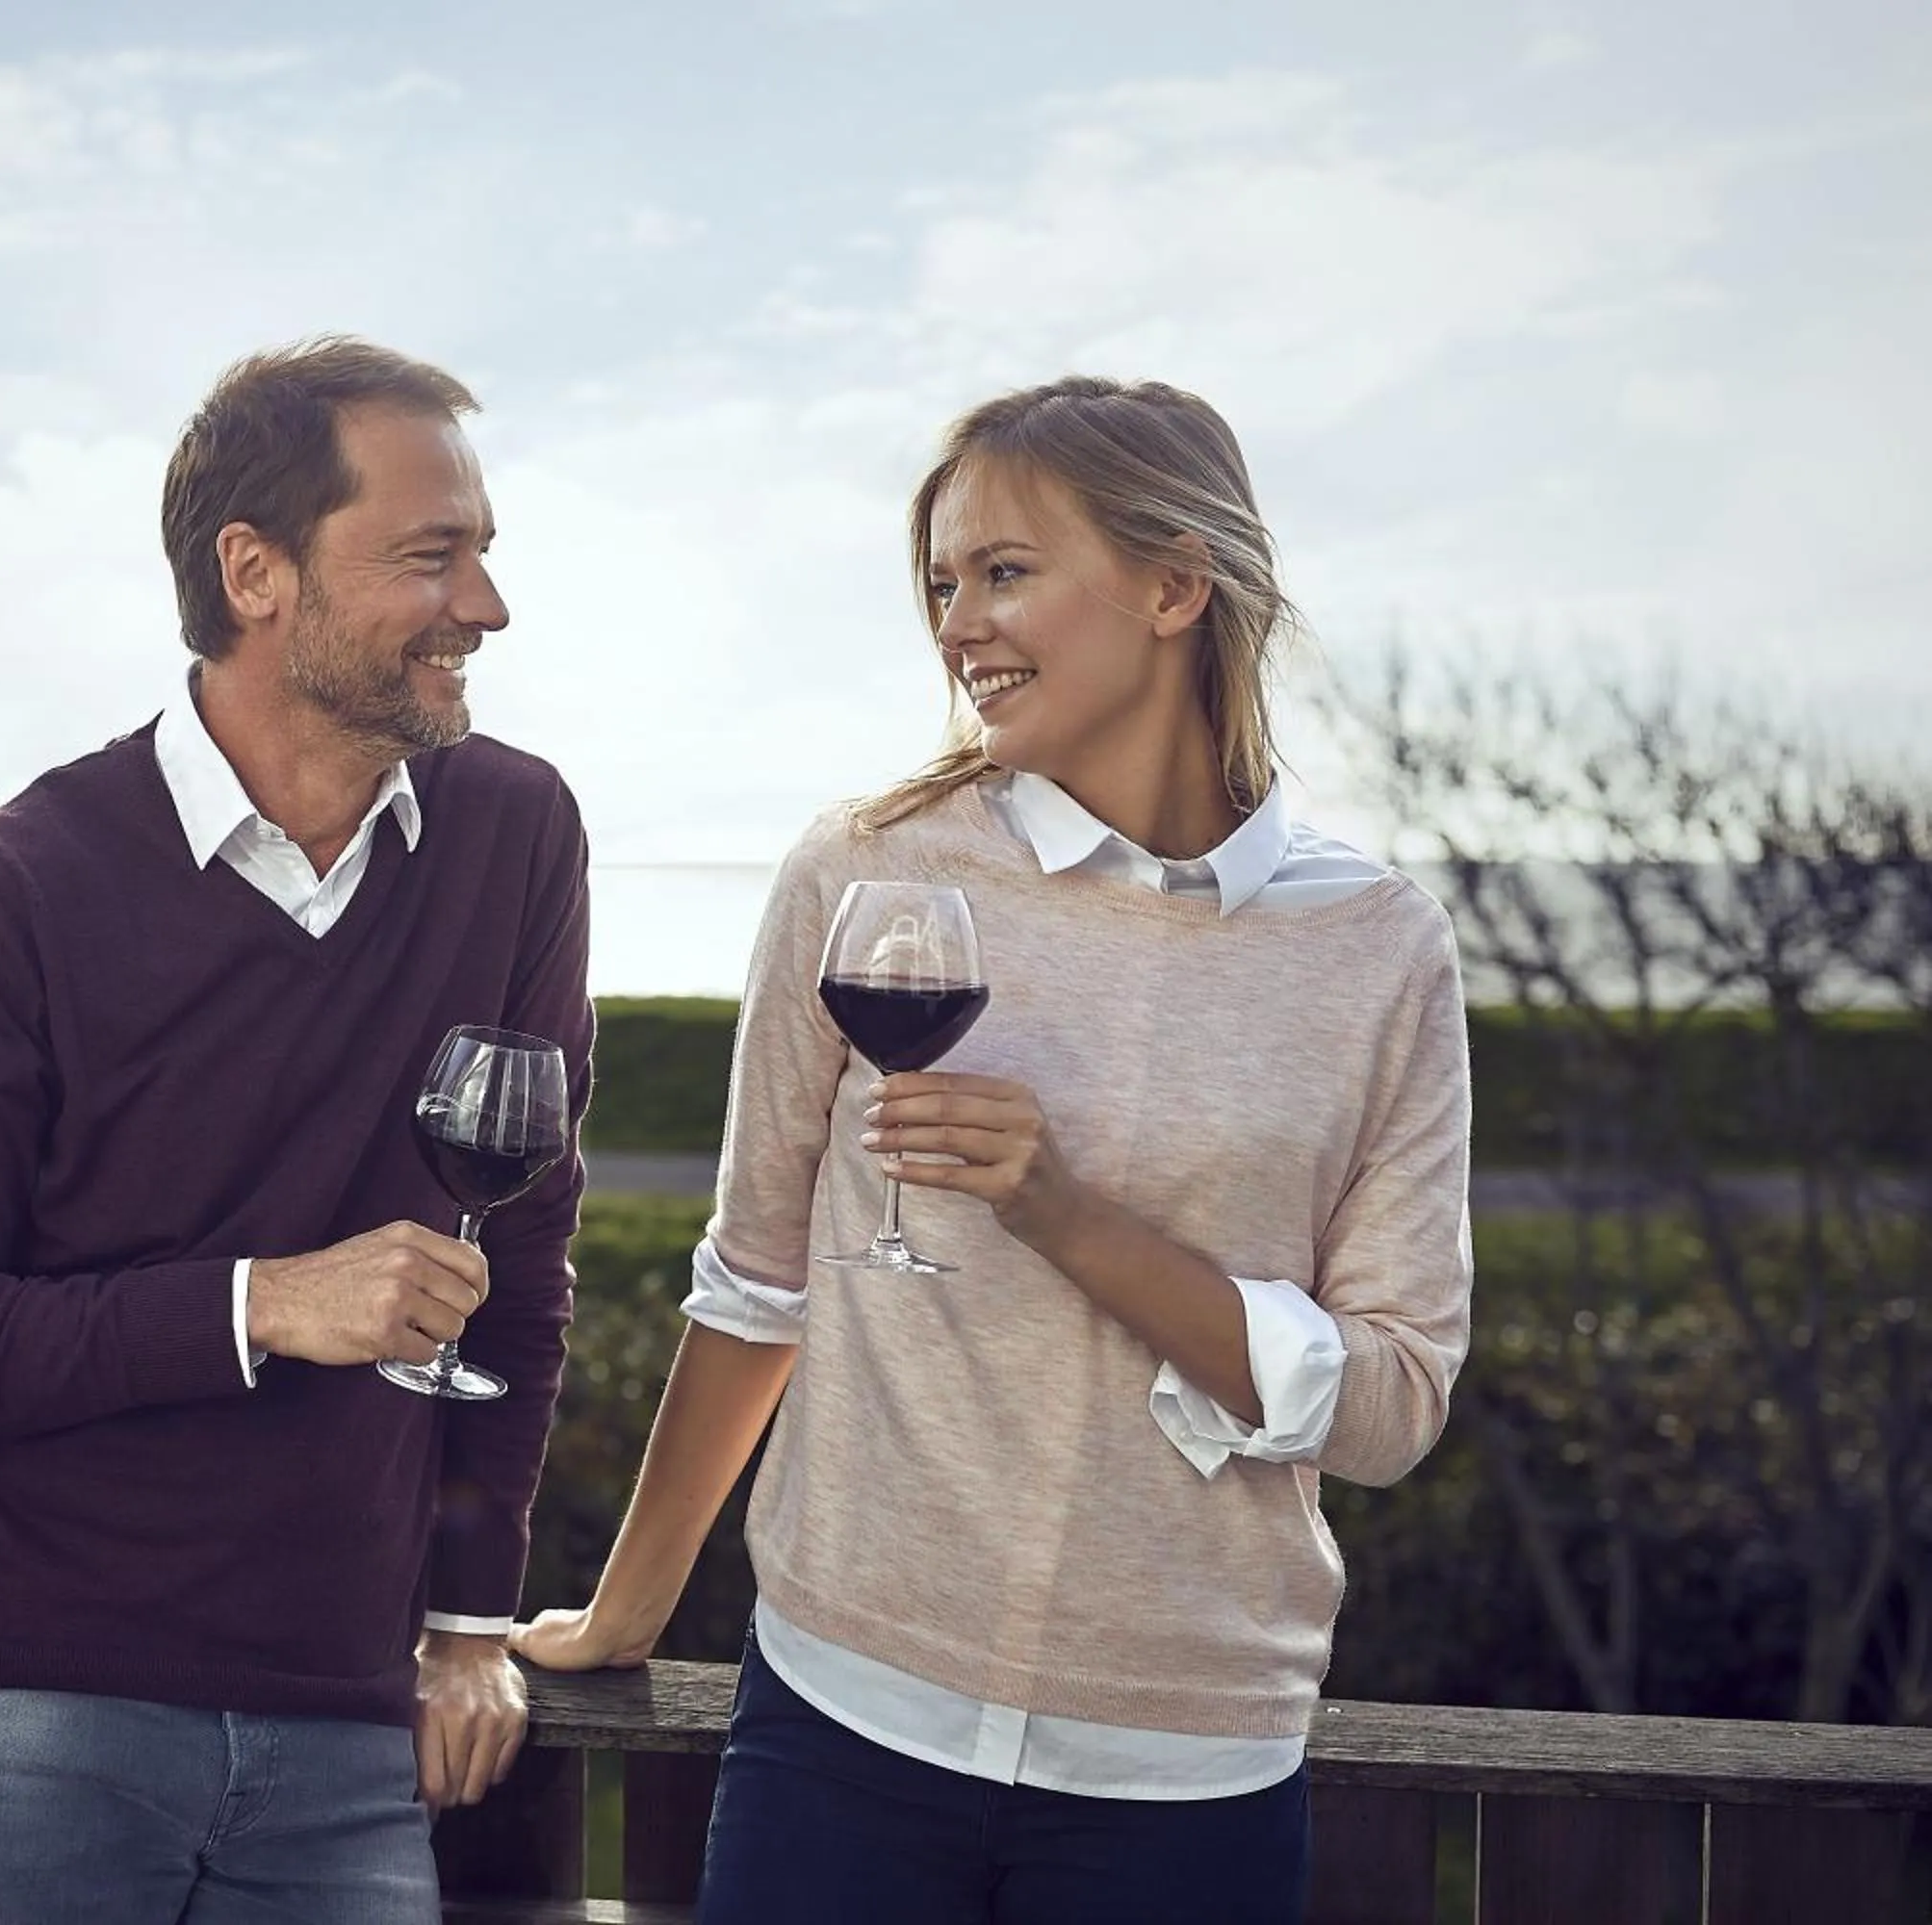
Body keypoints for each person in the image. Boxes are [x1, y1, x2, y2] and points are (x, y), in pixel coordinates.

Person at [515, 375, 1473, 1924]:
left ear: (1177, 585)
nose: (962, 623)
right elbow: (759, 1281)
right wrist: (627, 1614)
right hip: (841, 1727)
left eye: (1008, 572)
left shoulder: (1376, 949)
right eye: (944, 583)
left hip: (1187, 1776)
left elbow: (1391, 1405)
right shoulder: (868, 868)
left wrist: (1063, 1212)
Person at [0, 336, 593, 1925]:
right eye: (431, 558)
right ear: (256, 572)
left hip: (356, 1732)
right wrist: (262, 1305)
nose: (486, 609)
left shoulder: (517, 835)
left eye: (485, 556)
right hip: (29, 1717)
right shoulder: (18, 884)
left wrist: (466, 1620)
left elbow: (517, 1267)